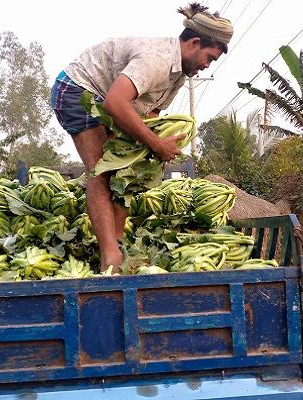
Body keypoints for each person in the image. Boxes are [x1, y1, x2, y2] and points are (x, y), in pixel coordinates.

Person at [50, 3, 233, 273]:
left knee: (126, 171)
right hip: (79, 89)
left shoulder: (179, 73)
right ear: (194, 42)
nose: (207, 65)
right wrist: (155, 143)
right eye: (209, 58)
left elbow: (151, 111)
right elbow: (115, 102)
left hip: (107, 98)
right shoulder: (157, 60)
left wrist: (149, 153)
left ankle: (118, 239)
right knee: (100, 171)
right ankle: (109, 255)